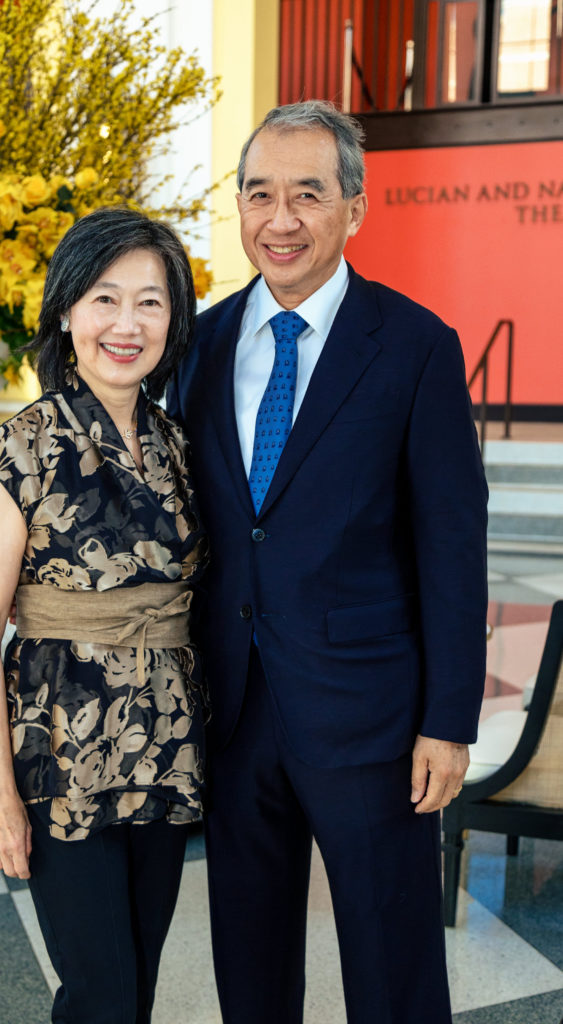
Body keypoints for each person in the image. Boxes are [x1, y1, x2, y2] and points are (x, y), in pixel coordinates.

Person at [167, 101, 488, 1023]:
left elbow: (449, 545)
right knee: (250, 962)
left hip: (372, 717)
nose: (280, 219)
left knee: (392, 969)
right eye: (259, 194)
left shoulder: (416, 347)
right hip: (233, 709)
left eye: (306, 194)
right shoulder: (201, 342)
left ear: (354, 207)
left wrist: (447, 721)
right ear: (235, 207)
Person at [0, 207, 208, 1024]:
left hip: (166, 749)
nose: (126, 324)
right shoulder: (19, 451)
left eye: (150, 301)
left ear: (173, 321)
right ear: (66, 310)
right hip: (60, 755)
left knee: (135, 985)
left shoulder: (179, 445)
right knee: (98, 993)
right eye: (106, 299)